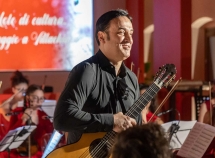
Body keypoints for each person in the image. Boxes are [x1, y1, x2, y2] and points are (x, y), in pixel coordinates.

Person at [53, 9, 140, 146]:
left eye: (131, 33)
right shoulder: (87, 70)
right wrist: (111, 121)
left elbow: (136, 126)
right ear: (102, 37)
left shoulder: (131, 78)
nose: (129, 39)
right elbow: (62, 118)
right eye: (121, 32)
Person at [0, 84, 53, 158]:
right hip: (19, 152)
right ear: (28, 97)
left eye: (41, 98)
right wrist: (23, 119)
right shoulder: (18, 112)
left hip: (36, 152)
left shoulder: (42, 114)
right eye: (35, 98)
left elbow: (50, 135)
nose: (39, 102)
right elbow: (9, 139)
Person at [0, 70, 29, 140]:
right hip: (6, 137)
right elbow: (10, 119)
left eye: (25, 90)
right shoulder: (6, 104)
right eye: (20, 90)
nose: (23, 93)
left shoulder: (27, 103)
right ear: (13, 89)